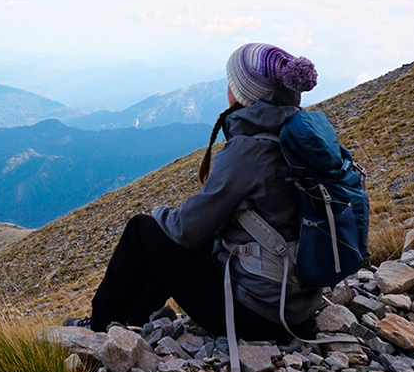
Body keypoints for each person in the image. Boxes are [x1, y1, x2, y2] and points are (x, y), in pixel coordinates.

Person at [65, 43, 324, 340]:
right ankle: (136, 319)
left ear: (242, 94)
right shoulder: (298, 136)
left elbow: (188, 230)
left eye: (232, 81)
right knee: (191, 238)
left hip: (257, 314)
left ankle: (99, 327)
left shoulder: (249, 151)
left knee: (143, 230)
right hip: (299, 302)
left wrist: (161, 215)